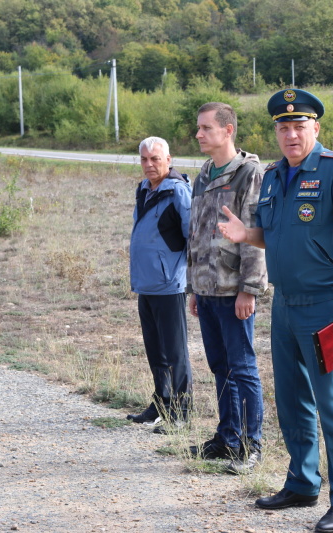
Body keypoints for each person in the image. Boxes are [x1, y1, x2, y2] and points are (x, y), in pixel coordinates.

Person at [218, 89, 333, 533]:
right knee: (291, 401)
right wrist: (245, 234)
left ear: (316, 129)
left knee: (332, 404)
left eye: (299, 126)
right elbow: (276, 236)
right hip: (285, 304)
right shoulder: (273, 177)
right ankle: (302, 483)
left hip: (328, 303)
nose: (290, 134)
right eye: (283, 127)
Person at [185, 102, 268, 475]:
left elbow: (253, 233)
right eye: (198, 129)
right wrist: (192, 287)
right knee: (220, 366)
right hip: (207, 288)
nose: (199, 134)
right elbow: (196, 234)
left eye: (205, 128)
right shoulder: (203, 174)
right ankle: (227, 437)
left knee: (243, 367)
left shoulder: (248, 173)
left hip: (234, 289)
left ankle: (251, 445)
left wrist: (249, 289)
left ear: (228, 130)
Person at [126, 136, 193, 435]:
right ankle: (161, 404)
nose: (149, 164)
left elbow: (192, 236)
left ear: (169, 159)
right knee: (155, 350)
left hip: (170, 285)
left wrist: (191, 283)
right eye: (144, 159)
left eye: (155, 159)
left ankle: (181, 412)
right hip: (146, 283)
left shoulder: (178, 191)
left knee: (176, 352)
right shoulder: (144, 189)